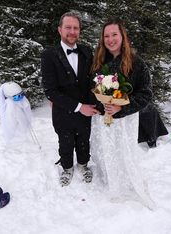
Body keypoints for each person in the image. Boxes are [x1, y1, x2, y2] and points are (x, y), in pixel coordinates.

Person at [90, 18, 155, 209]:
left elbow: (146, 94)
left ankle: (124, 179)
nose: (110, 39)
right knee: (105, 148)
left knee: (122, 149)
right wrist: (101, 103)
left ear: (122, 36)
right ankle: (108, 176)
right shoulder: (98, 61)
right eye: (106, 36)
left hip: (125, 119)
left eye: (114, 35)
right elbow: (91, 87)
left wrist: (122, 107)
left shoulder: (136, 63)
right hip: (103, 117)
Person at [41, 11, 99, 186]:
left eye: (76, 28)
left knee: (83, 140)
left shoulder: (87, 51)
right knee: (65, 143)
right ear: (60, 30)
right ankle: (67, 168)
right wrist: (79, 106)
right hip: (63, 112)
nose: (72, 31)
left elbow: (92, 80)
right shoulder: (48, 55)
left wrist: (95, 102)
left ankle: (83, 165)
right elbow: (50, 90)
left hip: (86, 112)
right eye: (68, 27)